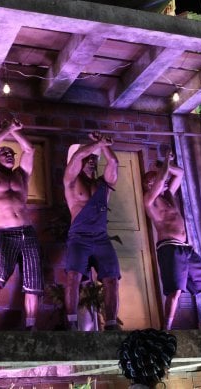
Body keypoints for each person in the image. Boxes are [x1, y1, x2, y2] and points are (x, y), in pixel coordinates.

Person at [142, 150, 201, 330]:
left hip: (186, 249)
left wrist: (164, 164)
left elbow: (180, 173)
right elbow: (161, 180)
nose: (164, 182)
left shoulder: (169, 195)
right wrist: (164, 167)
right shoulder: (149, 200)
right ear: (149, 184)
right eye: (157, 180)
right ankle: (166, 329)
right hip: (169, 249)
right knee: (175, 291)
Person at [0, 119, 43, 331]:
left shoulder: (21, 175)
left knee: (33, 283)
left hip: (28, 233)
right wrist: (7, 129)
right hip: (6, 234)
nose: (9, 154)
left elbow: (30, 149)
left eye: (11, 153)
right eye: (4, 151)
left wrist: (16, 131)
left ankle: (31, 327)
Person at [63, 132, 121, 331]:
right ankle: (71, 323)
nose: (91, 161)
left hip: (101, 237)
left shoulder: (102, 185)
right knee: (73, 276)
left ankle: (112, 324)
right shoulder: (71, 180)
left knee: (111, 278)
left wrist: (104, 145)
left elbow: (113, 162)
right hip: (79, 237)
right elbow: (78, 155)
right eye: (88, 158)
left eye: (94, 159)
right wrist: (96, 143)